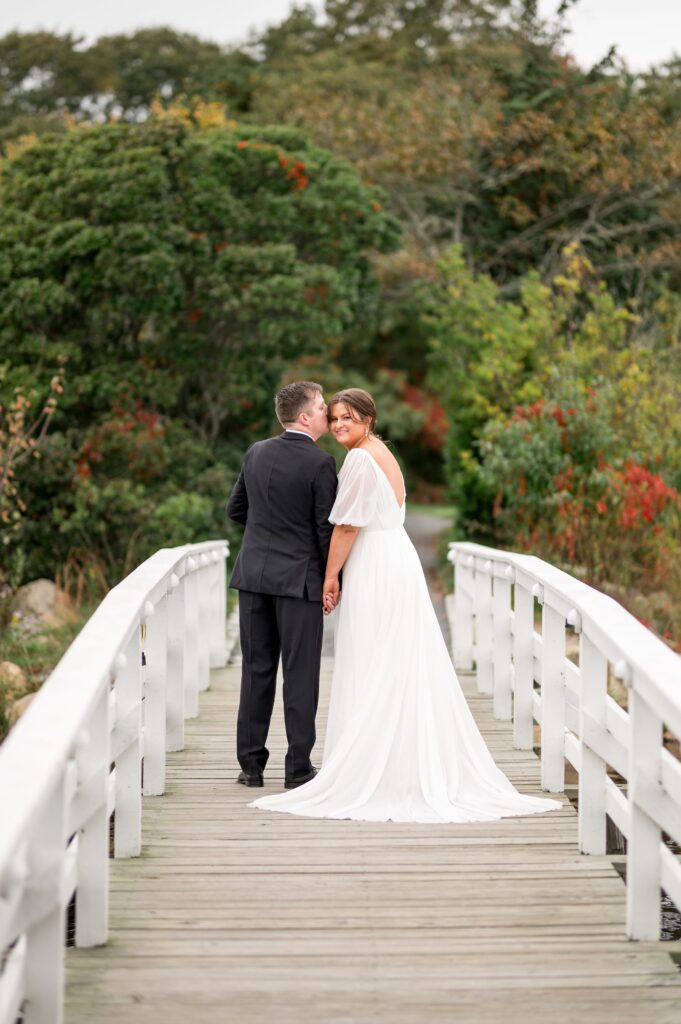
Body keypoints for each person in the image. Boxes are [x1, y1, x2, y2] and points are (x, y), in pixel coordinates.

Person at [250, 388, 562, 822]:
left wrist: (329, 577)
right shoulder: (381, 453)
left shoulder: (360, 459)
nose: (339, 424)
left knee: (373, 658)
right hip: (395, 560)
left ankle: (377, 764)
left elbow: (346, 528)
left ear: (369, 419)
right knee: (394, 659)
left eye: (348, 418)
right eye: (334, 417)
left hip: (376, 566)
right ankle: (396, 756)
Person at [226, 381, 337, 789]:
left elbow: (235, 508)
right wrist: (332, 577)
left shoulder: (256, 452)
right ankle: (298, 768)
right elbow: (325, 530)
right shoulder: (321, 464)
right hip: (299, 581)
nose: (328, 412)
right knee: (300, 673)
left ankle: (251, 767)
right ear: (305, 417)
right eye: (323, 407)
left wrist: (264, 535)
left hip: (253, 576)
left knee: (256, 672)